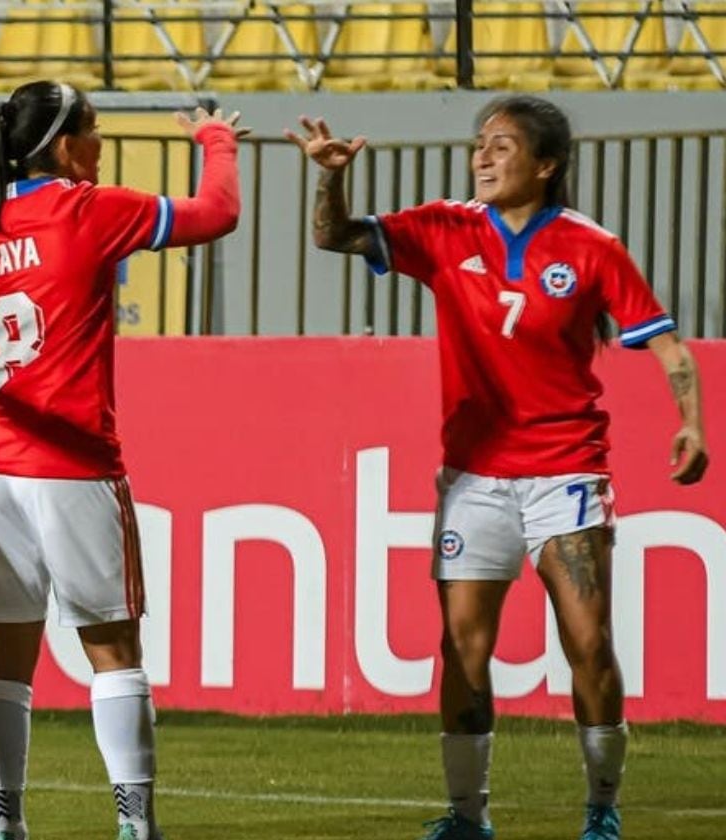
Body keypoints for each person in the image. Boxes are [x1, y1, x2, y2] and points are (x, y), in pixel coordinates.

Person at [289, 95, 709, 840]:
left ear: (545, 166)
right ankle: (466, 817)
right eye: (479, 143)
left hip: (567, 472)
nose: (483, 156)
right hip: (474, 478)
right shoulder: (444, 229)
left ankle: (602, 809)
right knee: (461, 650)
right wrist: (329, 179)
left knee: (587, 643)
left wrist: (692, 424)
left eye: (503, 145)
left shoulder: (591, 247)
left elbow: (668, 345)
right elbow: (333, 237)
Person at [0, 83, 242, 840]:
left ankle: (6, 823)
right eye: (95, 132)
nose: (101, 147)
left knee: (5, 657)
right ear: (67, 145)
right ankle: (135, 826)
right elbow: (218, 213)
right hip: (73, 468)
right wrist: (216, 141)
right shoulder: (90, 209)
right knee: (113, 652)